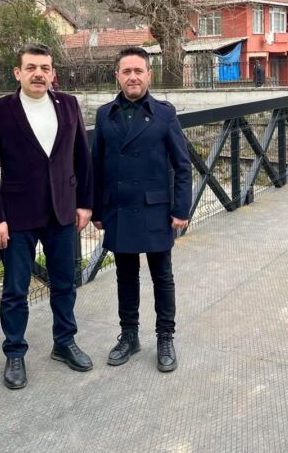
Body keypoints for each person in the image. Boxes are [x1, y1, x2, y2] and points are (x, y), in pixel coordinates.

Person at [0, 43, 93, 390]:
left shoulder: (68, 104)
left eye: (44, 68)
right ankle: (14, 353)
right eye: (31, 68)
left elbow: (82, 157)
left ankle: (64, 342)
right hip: (17, 217)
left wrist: (85, 203)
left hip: (62, 211)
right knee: (15, 290)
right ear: (18, 73)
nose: (38, 74)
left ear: (53, 73)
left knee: (65, 283)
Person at [91, 46, 192, 372]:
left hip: (155, 210)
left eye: (138, 71)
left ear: (149, 74)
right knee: (125, 276)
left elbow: (182, 165)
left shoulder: (165, 113)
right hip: (119, 209)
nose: (132, 77)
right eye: (126, 71)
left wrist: (181, 209)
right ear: (117, 76)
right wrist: (96, 210)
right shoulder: (104, 115)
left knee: (162, 276)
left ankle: (165, 337)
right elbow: (96, 166)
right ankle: (129, 336)